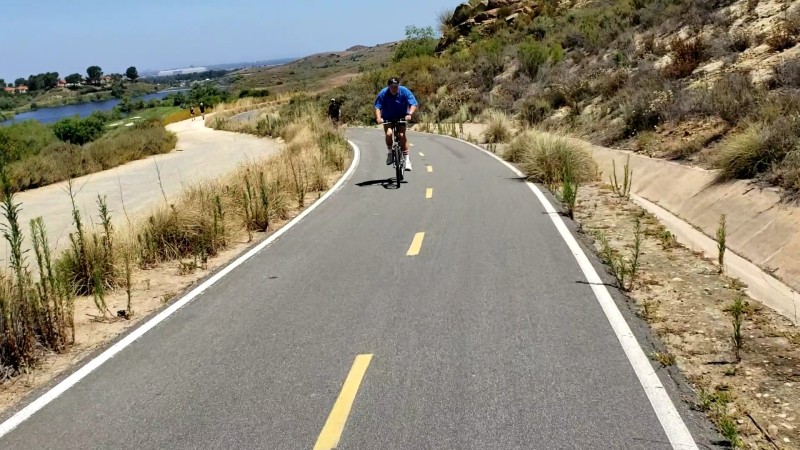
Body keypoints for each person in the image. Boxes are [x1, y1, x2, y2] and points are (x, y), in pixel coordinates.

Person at [375, 77, 418, 171]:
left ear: (398, 86)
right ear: (388, 86)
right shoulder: (383, 93)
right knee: (389, 133)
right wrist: (378, 118)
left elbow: (413, 104)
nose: (394, 89)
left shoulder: (404, 91)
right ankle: (390, 153)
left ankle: (407, 160)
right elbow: (378, 107)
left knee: (402, 135)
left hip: (401, 117)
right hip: (388, 117)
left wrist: (409, 114)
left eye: (396, 86)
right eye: (392, 87)